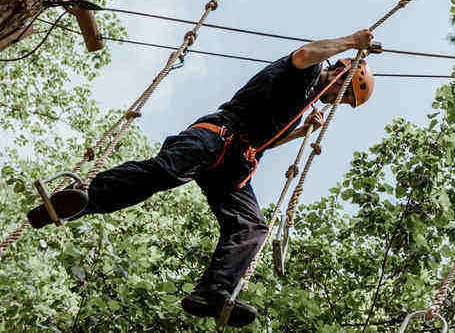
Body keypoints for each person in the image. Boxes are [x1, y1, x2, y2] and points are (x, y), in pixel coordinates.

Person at [26, 29, 376, 327]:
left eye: (345, 102)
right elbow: (304, 52)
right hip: (216, 136)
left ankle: (211, 292)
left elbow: (265, 140)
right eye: (344, 94)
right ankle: (81, 199)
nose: (338, 101)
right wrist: (352, 40)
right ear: (340, 73)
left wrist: (297, 135)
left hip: (236, 163)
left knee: (251, 226)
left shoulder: (302, 107)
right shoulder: (306, 74)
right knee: (165, 172)